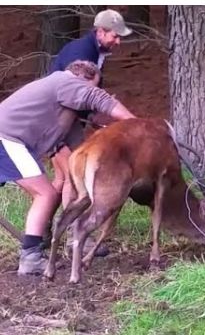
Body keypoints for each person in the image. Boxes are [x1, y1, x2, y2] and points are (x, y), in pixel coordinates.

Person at [0, 60, 136, 275]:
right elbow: (97, 98)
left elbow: (78, 151)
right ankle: (31, 259)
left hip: (11, 140)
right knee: (44, 194)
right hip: (6, 139)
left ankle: (42, 245)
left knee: (48, 194)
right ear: (83, 80)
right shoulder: (65, 81)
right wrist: (134, 123)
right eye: (92, 86)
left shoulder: (65, 107)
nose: (91, 92)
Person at [49, 9, 133, 207]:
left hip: (69, 119)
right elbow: (76, 93)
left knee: (63, 178)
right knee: (74, 175)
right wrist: (97, 111)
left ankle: (46, 229)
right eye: (115, 36)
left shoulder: (96, 51)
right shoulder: (81, 52)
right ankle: (71, 234)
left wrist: (91, 115)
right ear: (101, 31)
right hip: (54, 121)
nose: (118, 42)